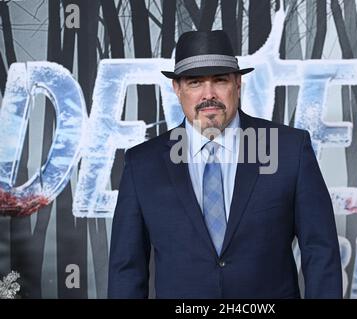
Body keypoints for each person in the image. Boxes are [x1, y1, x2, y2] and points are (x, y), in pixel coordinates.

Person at [108, 30, 342, 299]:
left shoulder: (289, 150)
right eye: (195, 83)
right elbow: (126, 270)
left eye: (219, 81)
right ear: (177, 88)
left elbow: (321, 252)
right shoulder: (142, 165)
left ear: (237, 83)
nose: (209, 94)